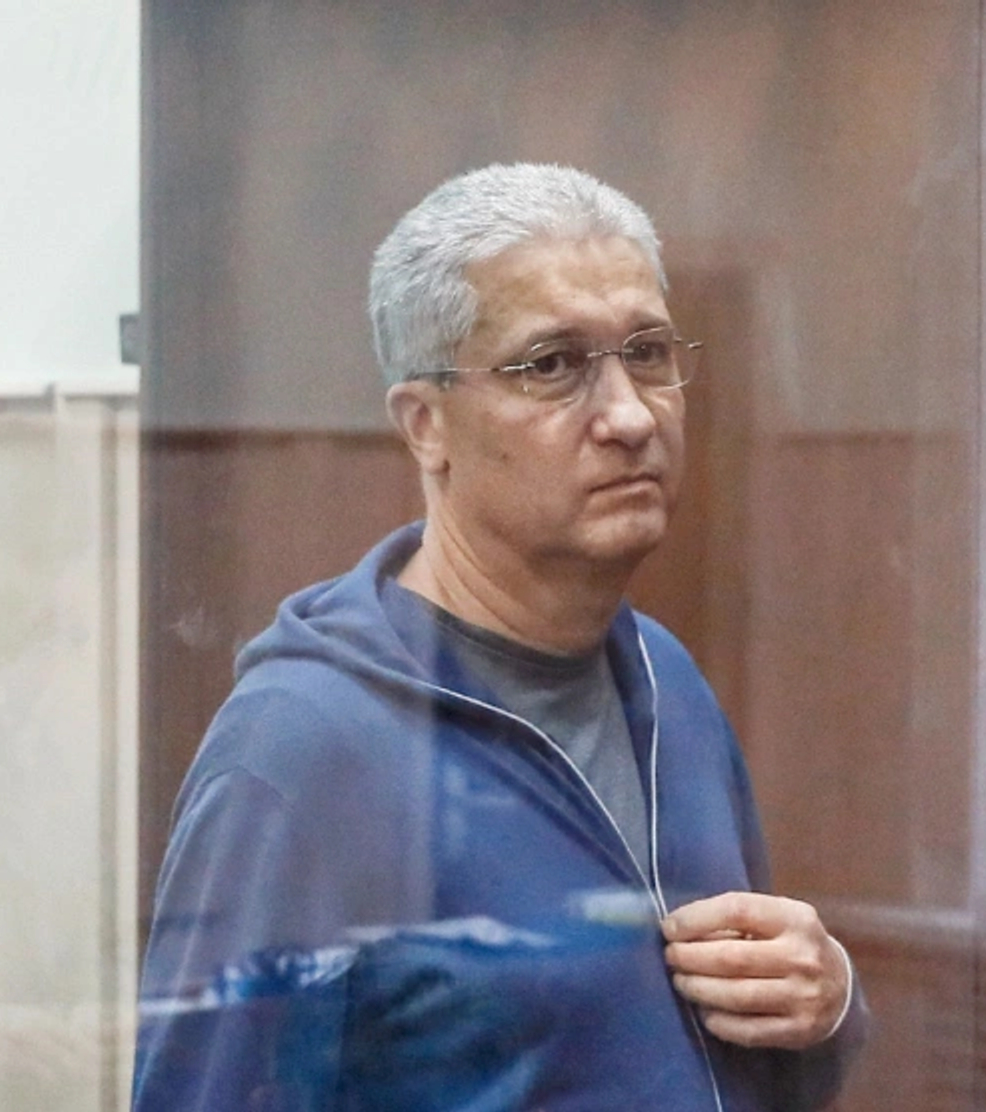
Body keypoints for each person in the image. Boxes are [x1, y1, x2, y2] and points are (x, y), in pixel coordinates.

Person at [134, 163, 869, 1111]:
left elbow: (724, 1060)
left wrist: (827, 1005)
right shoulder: (304, 750)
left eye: (648, 353)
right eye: (552, 365)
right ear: (426, 424)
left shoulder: (665, 677)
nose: (629, 416)